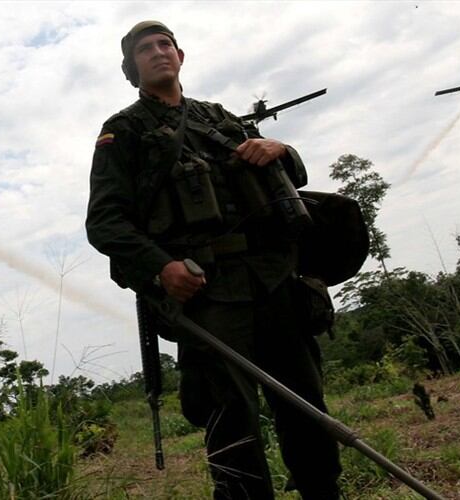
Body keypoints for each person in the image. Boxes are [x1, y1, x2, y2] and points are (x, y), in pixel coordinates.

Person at [86, 20, 342, 499]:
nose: (159, 52)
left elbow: (289, 180)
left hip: (273, 278)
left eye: (166, 45)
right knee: (232, 425)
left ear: (181, 57)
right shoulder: (123, 132)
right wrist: (162, 267)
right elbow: (104, 222)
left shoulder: (219, 118)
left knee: (307, 408)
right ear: (131, 68)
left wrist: (282, 149)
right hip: (210, 295)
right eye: (145, 49)